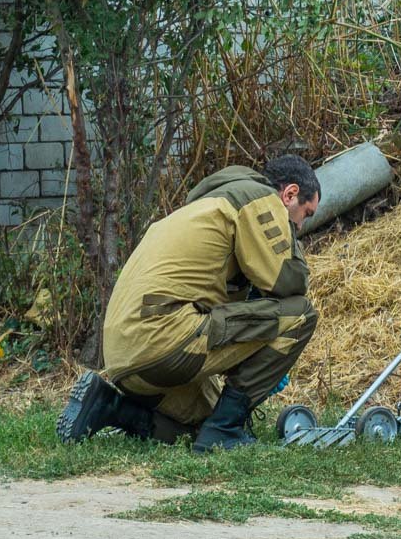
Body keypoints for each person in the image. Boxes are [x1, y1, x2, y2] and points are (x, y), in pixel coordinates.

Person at [56, 155, 321, 452]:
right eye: (306, 214)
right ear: (290, 194)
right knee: (300, 314)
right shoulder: (258, 198)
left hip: (124, 357)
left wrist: (256, 361)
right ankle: (225, 430)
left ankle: (109, 406)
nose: (301, 224)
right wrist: (291, 240)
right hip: (163, 342)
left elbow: (226, 312)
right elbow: (289, 281)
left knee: (204, 422)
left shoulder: (202, 208)